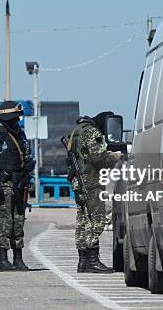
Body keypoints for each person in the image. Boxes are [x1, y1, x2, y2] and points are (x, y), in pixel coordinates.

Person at [0, 101, 35, 272]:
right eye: (13, 118)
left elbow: (27, 157)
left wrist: (28, 173)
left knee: (18, 221)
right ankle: (2, 260)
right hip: (3, 184)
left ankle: (18, 258)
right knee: (5, 222)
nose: (16, 121)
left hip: (19, 184)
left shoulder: (20, 134)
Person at [67, 111, 121, 273]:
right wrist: (115, 158)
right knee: (96, 221)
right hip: (91, 182)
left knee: (83, 221)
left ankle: (83, 261)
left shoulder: (76, 131)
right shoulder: (92, 131)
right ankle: (92, 261)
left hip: (79, 182)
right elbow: (99, 158)